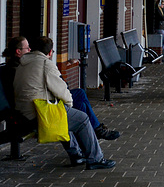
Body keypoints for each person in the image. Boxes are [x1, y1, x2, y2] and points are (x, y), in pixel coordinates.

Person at [13, 37, 116, 169]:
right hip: (38, 113)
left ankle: (77, 155)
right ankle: (95, 159)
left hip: (24, 111)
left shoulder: (23, 63)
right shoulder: (45, 64)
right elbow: (61, 89)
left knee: (71, 114)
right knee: (82, 119)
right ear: (50, 52)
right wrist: (69, 105)